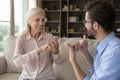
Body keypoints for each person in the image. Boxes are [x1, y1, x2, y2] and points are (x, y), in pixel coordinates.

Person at [67, 0, 120, 80]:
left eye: (86, 21)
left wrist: (72, 60)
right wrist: (85, 52)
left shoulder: (113, 52)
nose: (84, 25)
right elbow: (96, 70)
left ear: (95, 25)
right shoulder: (104, 45)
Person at [13, 7, 62, 80]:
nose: (41, 23)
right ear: (29, 21)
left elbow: (58, 61)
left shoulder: (49, 37)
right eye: (37, 20)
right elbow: (17, 62)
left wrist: (56, 51)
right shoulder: (21, 38)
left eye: (43, 20)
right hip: (26, 77)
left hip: (47, 77)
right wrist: (38, 51)